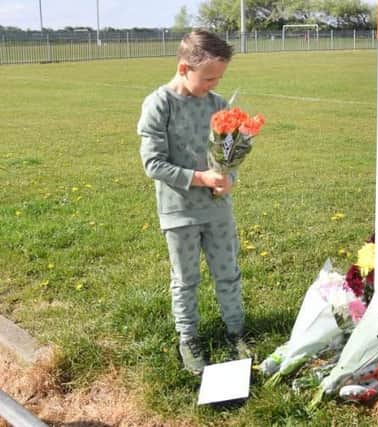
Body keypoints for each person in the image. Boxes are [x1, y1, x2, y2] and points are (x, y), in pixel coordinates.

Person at [137, 30, 250, 375]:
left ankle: (236, 331)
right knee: (185, 280)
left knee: (228, 273)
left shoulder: (218, 105)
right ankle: (189, 338)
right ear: (184, 67)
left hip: (217, 210)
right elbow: (153, 163)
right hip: (180, 213)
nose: (214, 85)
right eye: (209, 78)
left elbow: (228, 157)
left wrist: (228, 179)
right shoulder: (160, 104)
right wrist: (200, 178)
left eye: (219, 78)